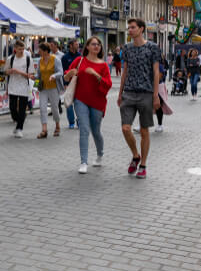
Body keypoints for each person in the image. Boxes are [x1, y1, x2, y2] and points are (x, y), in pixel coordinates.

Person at [116, 20, 160, 178]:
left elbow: (156, 72)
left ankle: (143, 164)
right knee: (125, 128)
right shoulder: (127, 48)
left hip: (146, 93)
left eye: (133, 27)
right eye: (129, 28)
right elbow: (124, 71)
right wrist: (120, 93)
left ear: (141, 29)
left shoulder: (152, 47)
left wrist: (155, 96)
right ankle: (135, 155)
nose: (130, 30)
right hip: (128, 92)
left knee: (144, 130)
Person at [65, 35, 113, 174]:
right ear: (87, 47)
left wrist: (96, 75)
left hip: (97, 102)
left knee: (96, 131)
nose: (96, 46)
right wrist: (69, 74)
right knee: (84, 129)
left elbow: (108, 84)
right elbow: (66, 75)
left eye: (98, 44)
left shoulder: (103, 65)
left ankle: (100, 154)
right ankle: (83, 162)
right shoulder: (79, 61)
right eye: (93, 44)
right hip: (81, 100)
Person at [5, 39, 34, 138]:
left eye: (23, 49)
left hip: (24, 87)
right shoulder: (10, 59)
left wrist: (18, 72)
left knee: (22, 109)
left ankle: (19, 128)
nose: (22, 51)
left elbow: (30, 75)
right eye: (20, 49)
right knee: (12, 107)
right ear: (15, 49)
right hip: (13, 85)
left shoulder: (28, 59)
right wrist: (10, 71)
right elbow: (6, 71)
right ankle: (18, 122)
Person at [36, 42, 62, 138]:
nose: (39, 52)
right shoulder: (40, 60)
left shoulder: (55, 59)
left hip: (53, 87)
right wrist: (34, 79)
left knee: (54, 108)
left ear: (46, 51)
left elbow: (60, 72)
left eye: (40, 50)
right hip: (43, 88)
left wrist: (54, 76)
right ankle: (44, 130)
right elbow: (38, 74)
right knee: (42, 108)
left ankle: (57, 126)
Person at [61, 40, 81, 129]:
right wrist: (65, 83)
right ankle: (71, 122)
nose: (78, 45)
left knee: (78, 104)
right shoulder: (65, 57)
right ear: (71, 45)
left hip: (78, 83)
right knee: (69, 103)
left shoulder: (80, 56)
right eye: (76, 44)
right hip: (69, 83)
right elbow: (64, 71)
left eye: (78, 44)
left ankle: (79, 121)